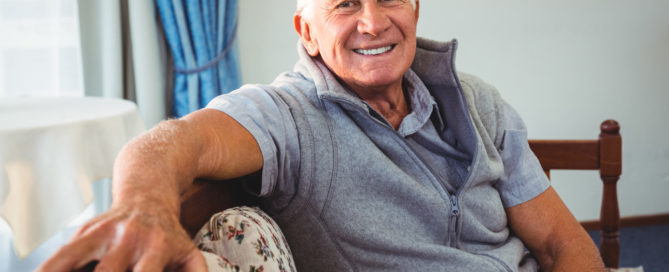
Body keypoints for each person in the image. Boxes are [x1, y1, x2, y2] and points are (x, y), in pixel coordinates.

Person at [39, 0, 606, 271]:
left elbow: (561, 244)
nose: (372, 21)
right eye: (343, 5)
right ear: (306, 32)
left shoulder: (478, 98)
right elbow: (180, 140)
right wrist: (144, 206)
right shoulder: (290, 115)